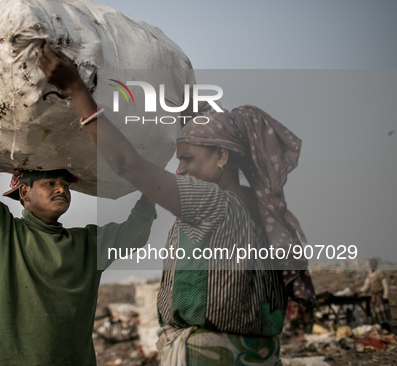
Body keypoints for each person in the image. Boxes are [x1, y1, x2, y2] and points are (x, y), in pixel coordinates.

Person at [38, 43, 316, 365]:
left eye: (186, 158)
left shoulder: (214, 203)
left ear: (222, 156)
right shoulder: (256, 207)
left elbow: (128, 165)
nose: (179, 168)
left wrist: (76, 89)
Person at [0, 67, 157, 366]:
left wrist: (151, 189)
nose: (61, 190)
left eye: (65, 185)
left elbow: (135, 231)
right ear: (24, 194)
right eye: (50, 183)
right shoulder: (4, 235)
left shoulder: (88, 244)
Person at [358, 258, 391, 330]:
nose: (372, 265)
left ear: (376, 264)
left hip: (380, 297)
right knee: (376, 315)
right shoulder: (370, 274)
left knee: (383, 316)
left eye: (373, 264)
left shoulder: (380, 273)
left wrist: (386, 296)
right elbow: (366, 286)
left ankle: (386, 329)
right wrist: (359, 291)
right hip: (374, 297)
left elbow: (386, 286)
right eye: (370, 264)